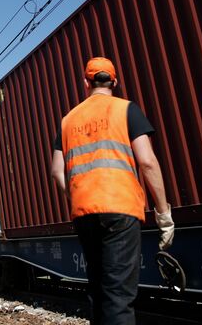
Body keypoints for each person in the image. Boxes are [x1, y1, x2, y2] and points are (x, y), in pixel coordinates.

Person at [51, 57, 174, 325]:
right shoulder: (127, 109)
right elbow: (147, 161)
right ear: (114, 82)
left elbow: (57, 171)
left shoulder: (68, 120)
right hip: (120, 208)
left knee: (98, 289)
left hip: (84, 211)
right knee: (118, 294)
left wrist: (75, 198)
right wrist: (163, 213)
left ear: (86, 83)